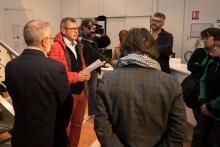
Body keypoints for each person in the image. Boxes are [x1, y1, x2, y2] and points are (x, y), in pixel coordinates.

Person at [94, 27, 187, 147]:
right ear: (153, 48)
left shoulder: (108, 80)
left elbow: (102, 126)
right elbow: (178, 130)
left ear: (125, 47)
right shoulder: (171, 82)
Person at [5, 20, 72, 147]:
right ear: (45, 41)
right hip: (49, 137)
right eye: (50, 38)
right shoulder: (55, 68)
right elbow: (66, 106)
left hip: (20, 135)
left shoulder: (10, 66)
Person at [48, 17, 90, 147]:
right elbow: (56, 74)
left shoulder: (78, 45)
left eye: (77, 28)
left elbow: (81, 65)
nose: (76, 31)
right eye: (72, 29)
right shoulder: (55, 47)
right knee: (65, 127)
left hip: (80, 92)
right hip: (67, 94)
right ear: (63, 30)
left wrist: (86, 72)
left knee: (77, 126)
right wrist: (77, 77)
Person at [191, 31, 220, 147]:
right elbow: (203, 80)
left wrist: (210, 105)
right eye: (215, 45)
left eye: (218, 46)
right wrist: (203, 102)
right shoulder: (213, 62)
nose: (214, 49)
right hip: (205, 109)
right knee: (198, 135)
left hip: (216, 112)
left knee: (215, 140)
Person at [186, 28, 220, 120]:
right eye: (203, 38)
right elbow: (190, 66)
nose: (204, 40)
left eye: (207, 37)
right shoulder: (199, 51)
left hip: (214, 100)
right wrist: (204, 68)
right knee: (200, 120)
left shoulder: (216, 57)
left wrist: (199, 67)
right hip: (198, 93)